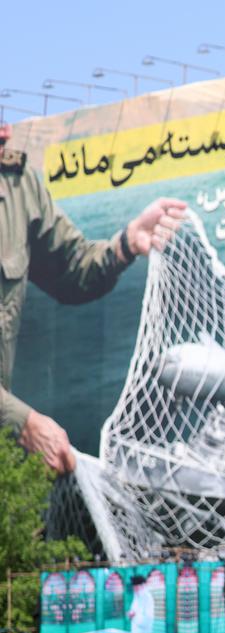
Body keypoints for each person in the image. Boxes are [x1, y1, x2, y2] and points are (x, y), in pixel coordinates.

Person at [0, 125, 187, 473]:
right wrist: (21, 422)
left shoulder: (17, 183)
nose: (7, 132)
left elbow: (72, 270)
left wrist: (125, 245)